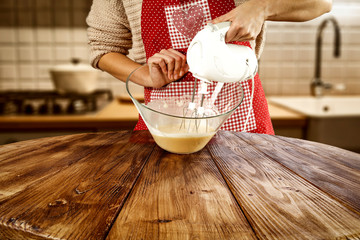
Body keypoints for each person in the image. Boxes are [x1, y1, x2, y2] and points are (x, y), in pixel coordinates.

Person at [86, 0, 332, 134]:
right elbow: (103, 48)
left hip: (244, 122)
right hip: (166, 127)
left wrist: (261, 7)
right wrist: (145, 77)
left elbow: (320, 3)